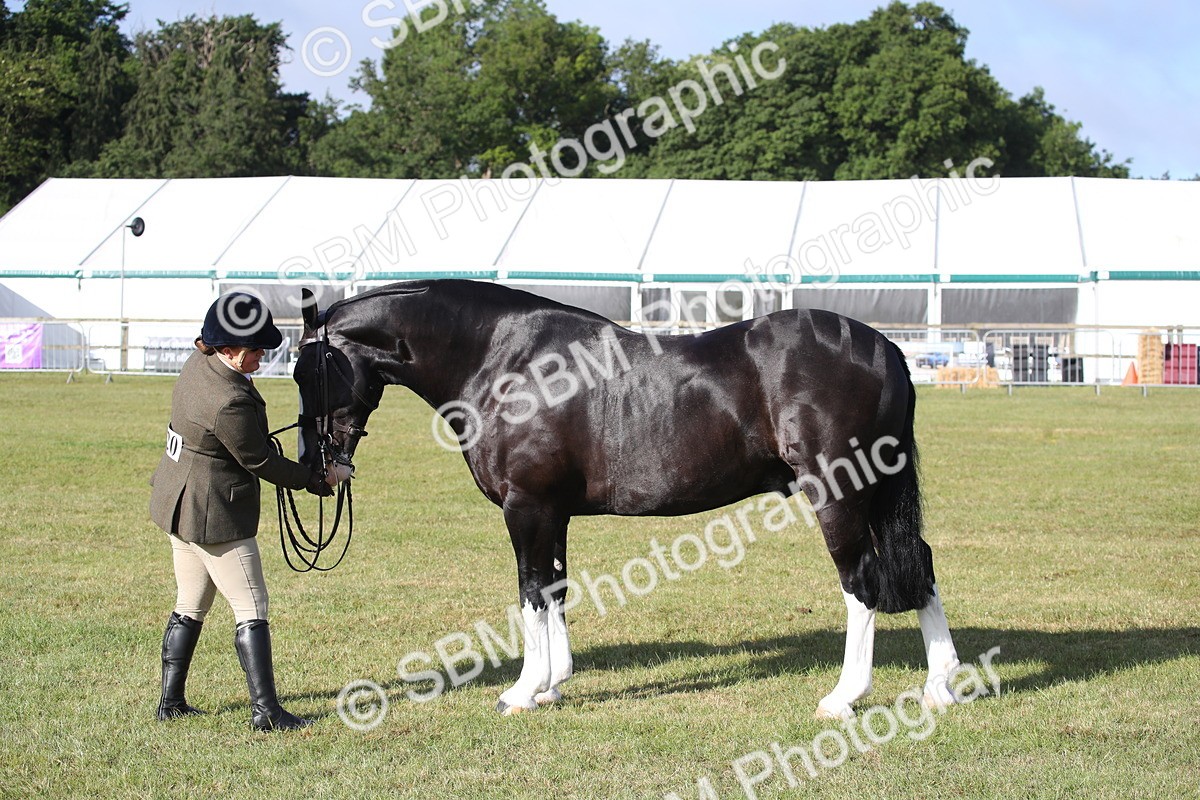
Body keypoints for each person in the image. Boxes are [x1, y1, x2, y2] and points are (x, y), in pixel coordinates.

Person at [149, 292, 342, 731]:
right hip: (214, 513)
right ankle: (266, 711)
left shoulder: (199, 365)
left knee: (190, 604)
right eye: (255, 350)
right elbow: (260, 461)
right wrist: (316, 480)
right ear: (229, 350)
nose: (262, 356)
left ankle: (170, 702)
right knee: (252, 605)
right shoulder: (227, 400)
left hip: (180, 506)